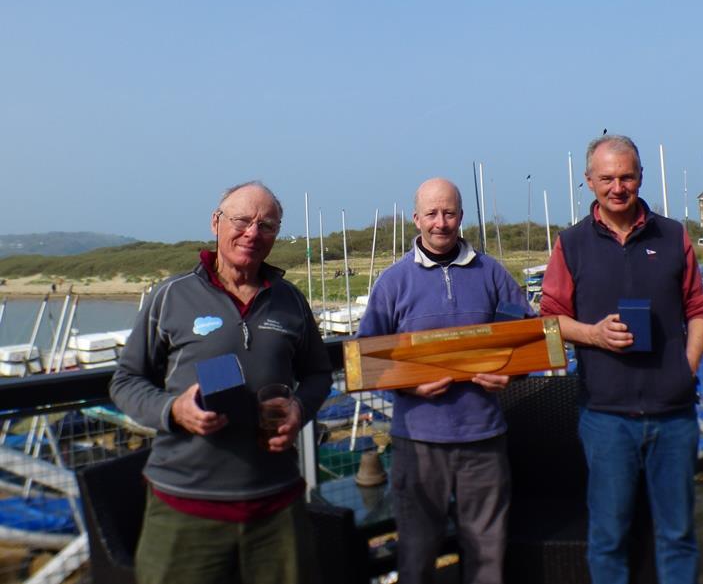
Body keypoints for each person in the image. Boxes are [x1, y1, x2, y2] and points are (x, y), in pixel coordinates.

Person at [110, 181, 332, 584]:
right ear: (216, 222)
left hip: (276, 504)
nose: (252, 233)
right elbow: (126, 380)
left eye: (266, 225)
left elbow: (318, 373)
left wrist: (300, 408)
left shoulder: (291, 300)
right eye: (242, 220)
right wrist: (173, 410)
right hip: (184, 505)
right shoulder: (170, 296)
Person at [540, 135, 703, 584]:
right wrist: (594, 334)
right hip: (605, 417)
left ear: (640, 177)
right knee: (608, 538)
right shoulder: (571, 244)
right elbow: (550, 320)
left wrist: (688, 367)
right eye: (606, 178)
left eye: (626, 177)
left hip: (673, 415)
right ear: (588, 181)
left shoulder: (674, 234)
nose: (617, 187)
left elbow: (700, 309)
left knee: (677, 535)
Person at [357, 177, 534, 584]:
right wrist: (408, 385)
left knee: (488, 555)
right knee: (416, 556)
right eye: (432, 214)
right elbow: (367, 359)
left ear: (461, 216)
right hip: (417, 444)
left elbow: (527, 336)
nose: (441, 223)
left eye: (449, 212)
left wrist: (509, 370)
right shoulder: (392, 282)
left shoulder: (492, 273)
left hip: (484, 438)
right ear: (416, 219)